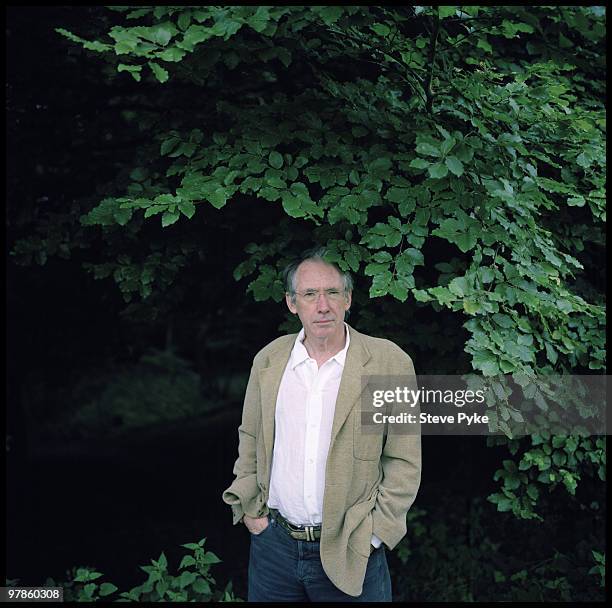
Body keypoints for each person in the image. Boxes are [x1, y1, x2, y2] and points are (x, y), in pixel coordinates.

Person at [222, 247, 421, 601]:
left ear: (348, 299)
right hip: (274, 548)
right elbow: (250, 438)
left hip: (351, 548)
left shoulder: (386, 362)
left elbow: (404, 459)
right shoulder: (269, 361)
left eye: (332, 292)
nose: (322, 305)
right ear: (291, 303)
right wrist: (251, 513)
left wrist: (375, 533)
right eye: (310, 294)